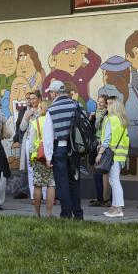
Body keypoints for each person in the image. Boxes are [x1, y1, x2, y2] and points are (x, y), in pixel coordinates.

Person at [43, 80, 84, 220]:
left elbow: (48, 136)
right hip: (75, 149)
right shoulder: (76, 104)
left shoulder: (51, 110)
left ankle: (66, 214)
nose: (50, 95)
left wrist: (48, 157)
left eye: (50, 93)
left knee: (62, 183)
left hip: (59, 149)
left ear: (55, 93)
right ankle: (78, 214)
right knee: (74, 181)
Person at [96, 98, 130, 218]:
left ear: (115, 106)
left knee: (114, 181)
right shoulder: (122, 120)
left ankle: (118, 208)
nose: (107, 105)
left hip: (112, 154)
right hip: (120, 155)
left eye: (110, 104)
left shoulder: (110, 119)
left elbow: (106, 139)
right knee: (113, 180)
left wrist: (100, 153)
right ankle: (114, 207)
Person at [28, 96, 55, 217]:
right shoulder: (52, 121)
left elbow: (31, 142)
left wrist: (31, 157)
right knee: (51, 184)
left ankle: (36, 213)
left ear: (42, 108)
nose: (38, 109)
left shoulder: (35, 122)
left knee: (37, 184)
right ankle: (49, 214)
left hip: (38, 156)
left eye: (39, 107)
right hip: (50, 155)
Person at [89, 94, 111, 207]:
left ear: (107, 103)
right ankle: (100, 197)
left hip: (103, 145)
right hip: (96, 143)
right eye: (98, 101)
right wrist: (91, 119)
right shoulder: (96, 113)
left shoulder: (108, 114)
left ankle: (105, 199)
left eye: (102, 102)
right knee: (96, 171)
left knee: (102, 171)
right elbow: (93, 129)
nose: (99, 104)